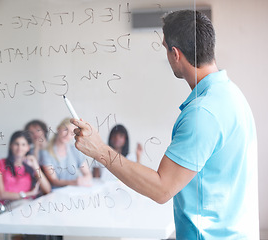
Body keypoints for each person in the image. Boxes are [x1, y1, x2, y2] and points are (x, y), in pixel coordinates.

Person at [71, 10, 259, 239]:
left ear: (175, 53)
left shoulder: (203, 113)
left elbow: (162, 189)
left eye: (164, 48)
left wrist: (100, 150)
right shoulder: (231, 94)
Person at [0, 131, 51, 203]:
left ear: (28, 148)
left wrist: (36, 166)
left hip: (29, 204)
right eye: (16, 144)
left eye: (23, 144)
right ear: (10, 146)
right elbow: (1, 195)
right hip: (10, 206)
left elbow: (47, 190)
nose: (20, 147)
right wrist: (27, 194)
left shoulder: (29, 166)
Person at [41, 118, 92, 188]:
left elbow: (87, 174)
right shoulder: (46, 152)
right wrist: (74, 182)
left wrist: (84, 179)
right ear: (58, 129)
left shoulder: (75, 150)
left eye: (72, 132)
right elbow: (54, 181)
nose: (68, 135)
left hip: (73, 191)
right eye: (65, 130)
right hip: (56, 192)